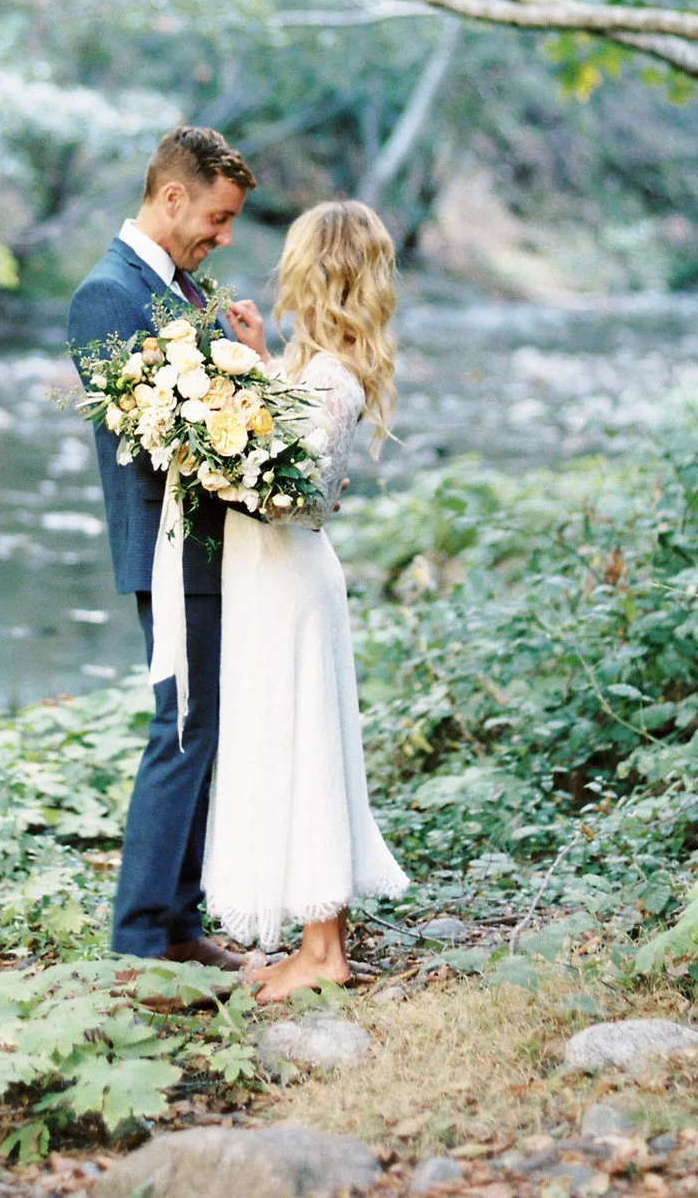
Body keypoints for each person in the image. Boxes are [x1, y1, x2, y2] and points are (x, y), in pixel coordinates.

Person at [68, 126, 265, 969]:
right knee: (180, 729)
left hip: (214, 544)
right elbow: (150, 435)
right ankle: (143, 941)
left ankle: (180, 925)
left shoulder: (182, 287)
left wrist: (248, 369)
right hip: (169, 545)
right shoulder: (107, 294)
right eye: (218, 217)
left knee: (201, 730)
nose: (224, 236)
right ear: (173, 196)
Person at [205, 199, 409, 1000]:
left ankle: (324, 951)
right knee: (289, 744)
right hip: (272, 577)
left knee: (305, 749)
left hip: (289, 580)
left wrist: (212, 467)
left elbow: (300, 496)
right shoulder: (312, 364)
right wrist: (258, 360)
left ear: (318, 272)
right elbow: (288, 442)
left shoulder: (331, 376)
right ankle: (319, 941)